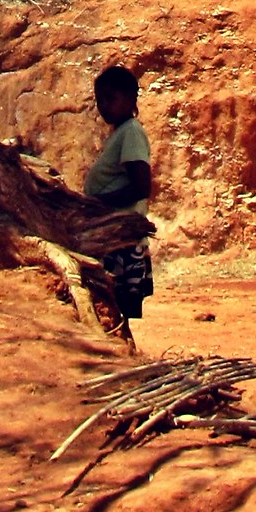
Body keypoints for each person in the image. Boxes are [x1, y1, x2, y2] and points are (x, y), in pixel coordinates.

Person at [84, 65, 154, 322]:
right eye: (99, 99)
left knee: (115, 306)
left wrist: (95, 203)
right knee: (111, 308)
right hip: (115, 237)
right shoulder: (121, 133)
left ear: (130, 99)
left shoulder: (132, 133)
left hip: (121, 241)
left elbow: (140, 188)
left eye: (110, 98)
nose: (104, 105)